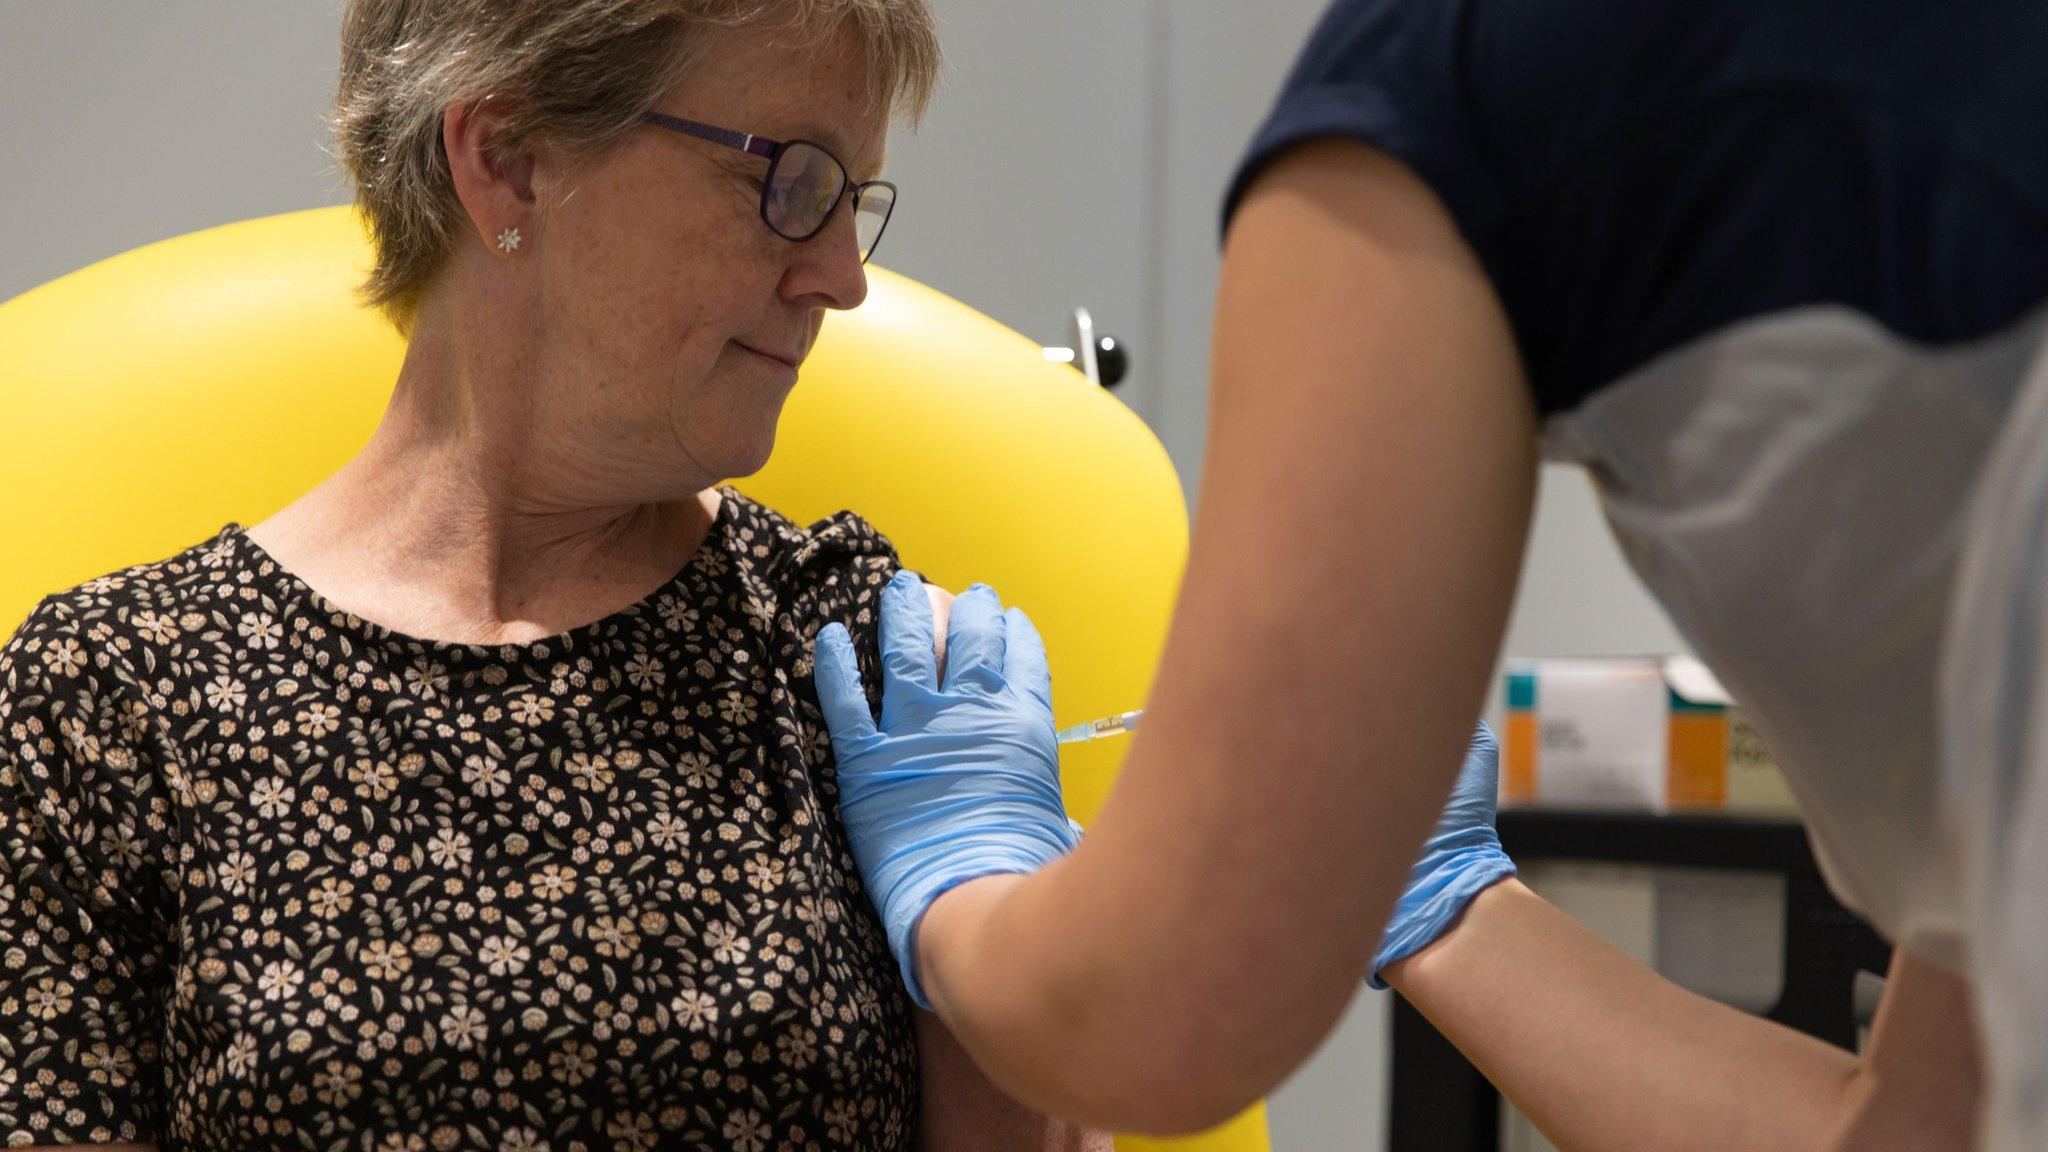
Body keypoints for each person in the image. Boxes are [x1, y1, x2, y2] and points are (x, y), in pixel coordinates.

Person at [810, 1, 2048, 1148]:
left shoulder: (1442, 94)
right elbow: (1930, 1123)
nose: (834, 278)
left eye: (833, 193)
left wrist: (963, 884)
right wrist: (1451, 908)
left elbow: (1163, 1018)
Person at [0, 2, 1111, 1149]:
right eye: (791, 183)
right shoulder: (111, 703)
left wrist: (1001, 952)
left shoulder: (859, 666)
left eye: (852, 202)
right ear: (509, 162)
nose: (840, 277)